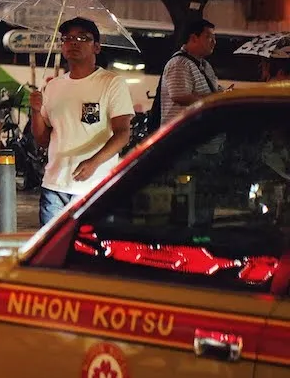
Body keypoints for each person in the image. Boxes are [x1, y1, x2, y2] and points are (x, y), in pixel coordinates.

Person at [30, 16, 134, 225]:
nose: (73, 42)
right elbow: (43, 139)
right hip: (54, 185)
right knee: (51, 252)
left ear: (96, 47)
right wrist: (34, 111)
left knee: (88, 251)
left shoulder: (111, 83)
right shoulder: (53, 86)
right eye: (67, 38)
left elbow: (123, 133)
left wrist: (93, 162)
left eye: (82, 38)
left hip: (93, 186)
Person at [159, 17, 222, 127]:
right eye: (208, 37)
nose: (214, 42)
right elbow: (181, 97)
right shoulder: (180, 63)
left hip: (199, 135)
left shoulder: (205, 65)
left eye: (214, 38)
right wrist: (214, 100)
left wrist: (225, 94)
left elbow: (213, 89)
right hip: (183, 134)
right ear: (193, 38)